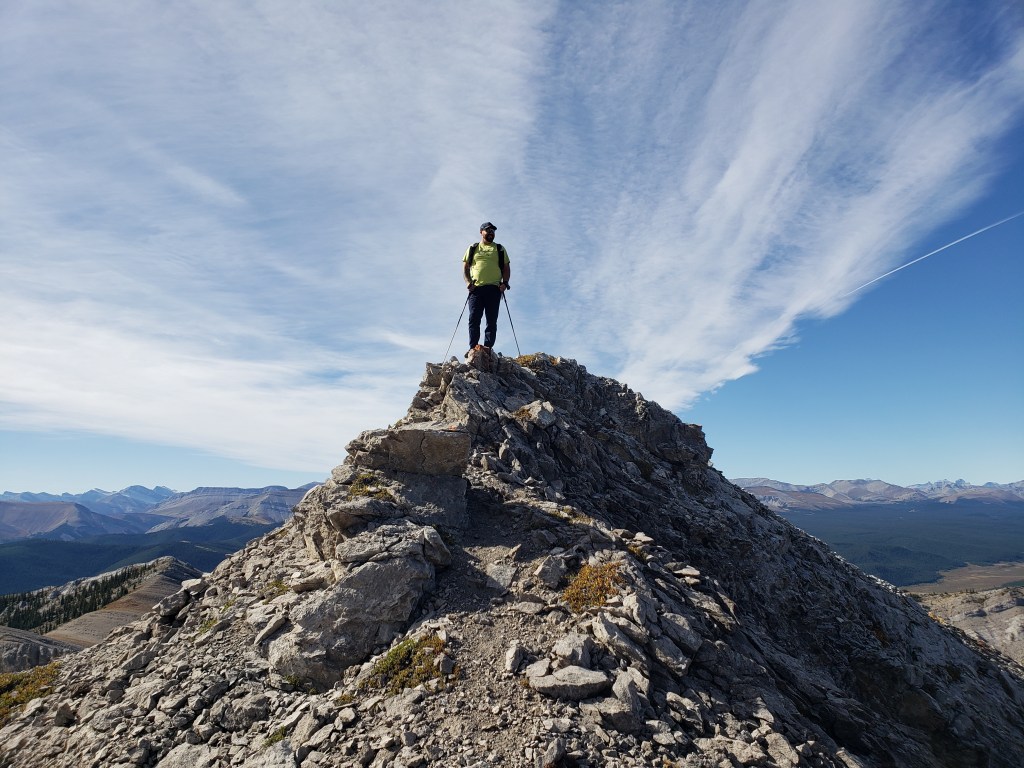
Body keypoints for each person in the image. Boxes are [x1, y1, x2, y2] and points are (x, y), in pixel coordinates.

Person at [462, 222, 510, 355]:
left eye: (493, 231)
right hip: (476, 289)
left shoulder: (499, 249)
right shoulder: (473, 248)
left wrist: (504, 283)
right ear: (481, 232)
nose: (491, 232)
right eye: (488, 230)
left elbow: (506, 268)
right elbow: (465, 267)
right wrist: (468, 282)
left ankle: (488, 348)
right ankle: (473, 348)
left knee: (491, 320)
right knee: (474, 319)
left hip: (494, 289)